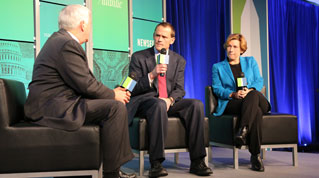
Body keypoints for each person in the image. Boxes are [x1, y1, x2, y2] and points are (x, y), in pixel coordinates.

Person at [24, 5, 136, 178]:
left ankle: (109, 168)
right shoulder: (67, 43)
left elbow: (82, 82)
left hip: (58, 102)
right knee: (115, 108)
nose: (90, 30)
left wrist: (112, 93)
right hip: (53, 107)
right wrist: (114, 95)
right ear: (83, 25)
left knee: (112, 105)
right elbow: (86, 84)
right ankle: (111, 173)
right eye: (90, 25)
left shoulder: (59, 40)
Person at [126, 22, 213, 177]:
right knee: (159, 104)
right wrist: (151, 75)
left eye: (164, 37)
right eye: (157, 35)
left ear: (171, 40)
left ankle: (197, 161)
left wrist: (171, 100)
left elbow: (180, 89)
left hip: (168, 101)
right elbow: (132, 88)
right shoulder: (139, 57)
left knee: (196, 104)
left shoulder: (179, 60)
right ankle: (156, 163)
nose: (159, 39)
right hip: (145, 101)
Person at [212, 33, 271, 172]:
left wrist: (249, 90)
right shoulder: (218, 67)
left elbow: (259, 81)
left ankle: (243, 129)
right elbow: (217, 88)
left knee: (254, 95)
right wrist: (233, 94)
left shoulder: (250, 61)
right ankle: (255, 156)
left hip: (255, 98)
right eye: (229, 46)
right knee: (255, 111)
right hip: (234, 101)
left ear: (242, 50)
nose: (231, 49)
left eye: (235, 47)